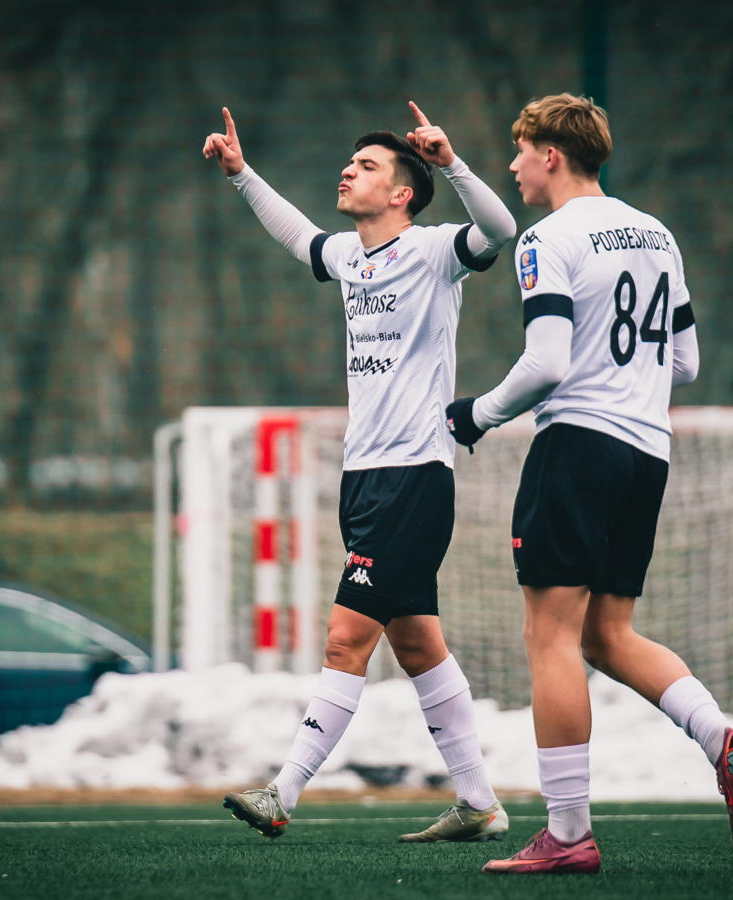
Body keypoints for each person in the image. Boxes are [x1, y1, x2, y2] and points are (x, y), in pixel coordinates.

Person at [448, 93, 733, 876]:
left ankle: (567, 834)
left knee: (551, 638)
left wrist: (477, 414)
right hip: (646, 453)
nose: (514, 165)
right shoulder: (657, 233)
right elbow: (686, 363)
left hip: (578, 446)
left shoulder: (546, 238)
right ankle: (724, 741)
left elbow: (548, 362)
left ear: (551, 154)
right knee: (607, 634)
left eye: (520, 150)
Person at [202, 102, 517, 843]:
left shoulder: (435, 250)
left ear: (403, 191)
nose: (348, 171)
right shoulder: (350, 255)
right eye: (350, 161)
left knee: (346, 640)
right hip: (364, 478)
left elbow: (501, 229)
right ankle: (479, 803)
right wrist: (242, 175)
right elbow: (298, 235)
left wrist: (451, 163)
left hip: (414, 475)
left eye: (367, 165)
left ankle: (283, 791)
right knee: (417, 646)